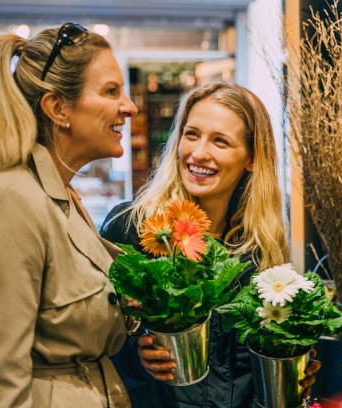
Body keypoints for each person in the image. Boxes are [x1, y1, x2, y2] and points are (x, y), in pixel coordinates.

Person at [0, 23, 138, 407]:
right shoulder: (8, 201)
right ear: (58, 108)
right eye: (111, 91)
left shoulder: (56, 194)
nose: (128, 107)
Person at [100, 82, 320, 408]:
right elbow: (96, 340)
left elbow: (253, 379)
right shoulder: (131, 227)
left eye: (220, 141)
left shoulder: (260, 250)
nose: (199, 152)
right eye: (191, 134)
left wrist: (292, 368)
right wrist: (139, 353)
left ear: (251, 158)